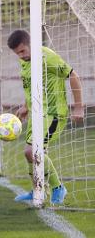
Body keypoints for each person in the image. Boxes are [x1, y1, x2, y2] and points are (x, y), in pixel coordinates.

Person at [8, 29, 84, 205]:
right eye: (17, 53)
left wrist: (79, 107)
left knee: (32, 151)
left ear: (31, 44)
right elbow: (33, 85)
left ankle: (58, 187)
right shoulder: (25, 61)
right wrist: (26, 106)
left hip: (53, 114)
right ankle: (38, 188)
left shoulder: (47, 56)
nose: (20, 56)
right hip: (37, 114)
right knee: (31, 154)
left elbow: (73, 75)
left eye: (22, 51)